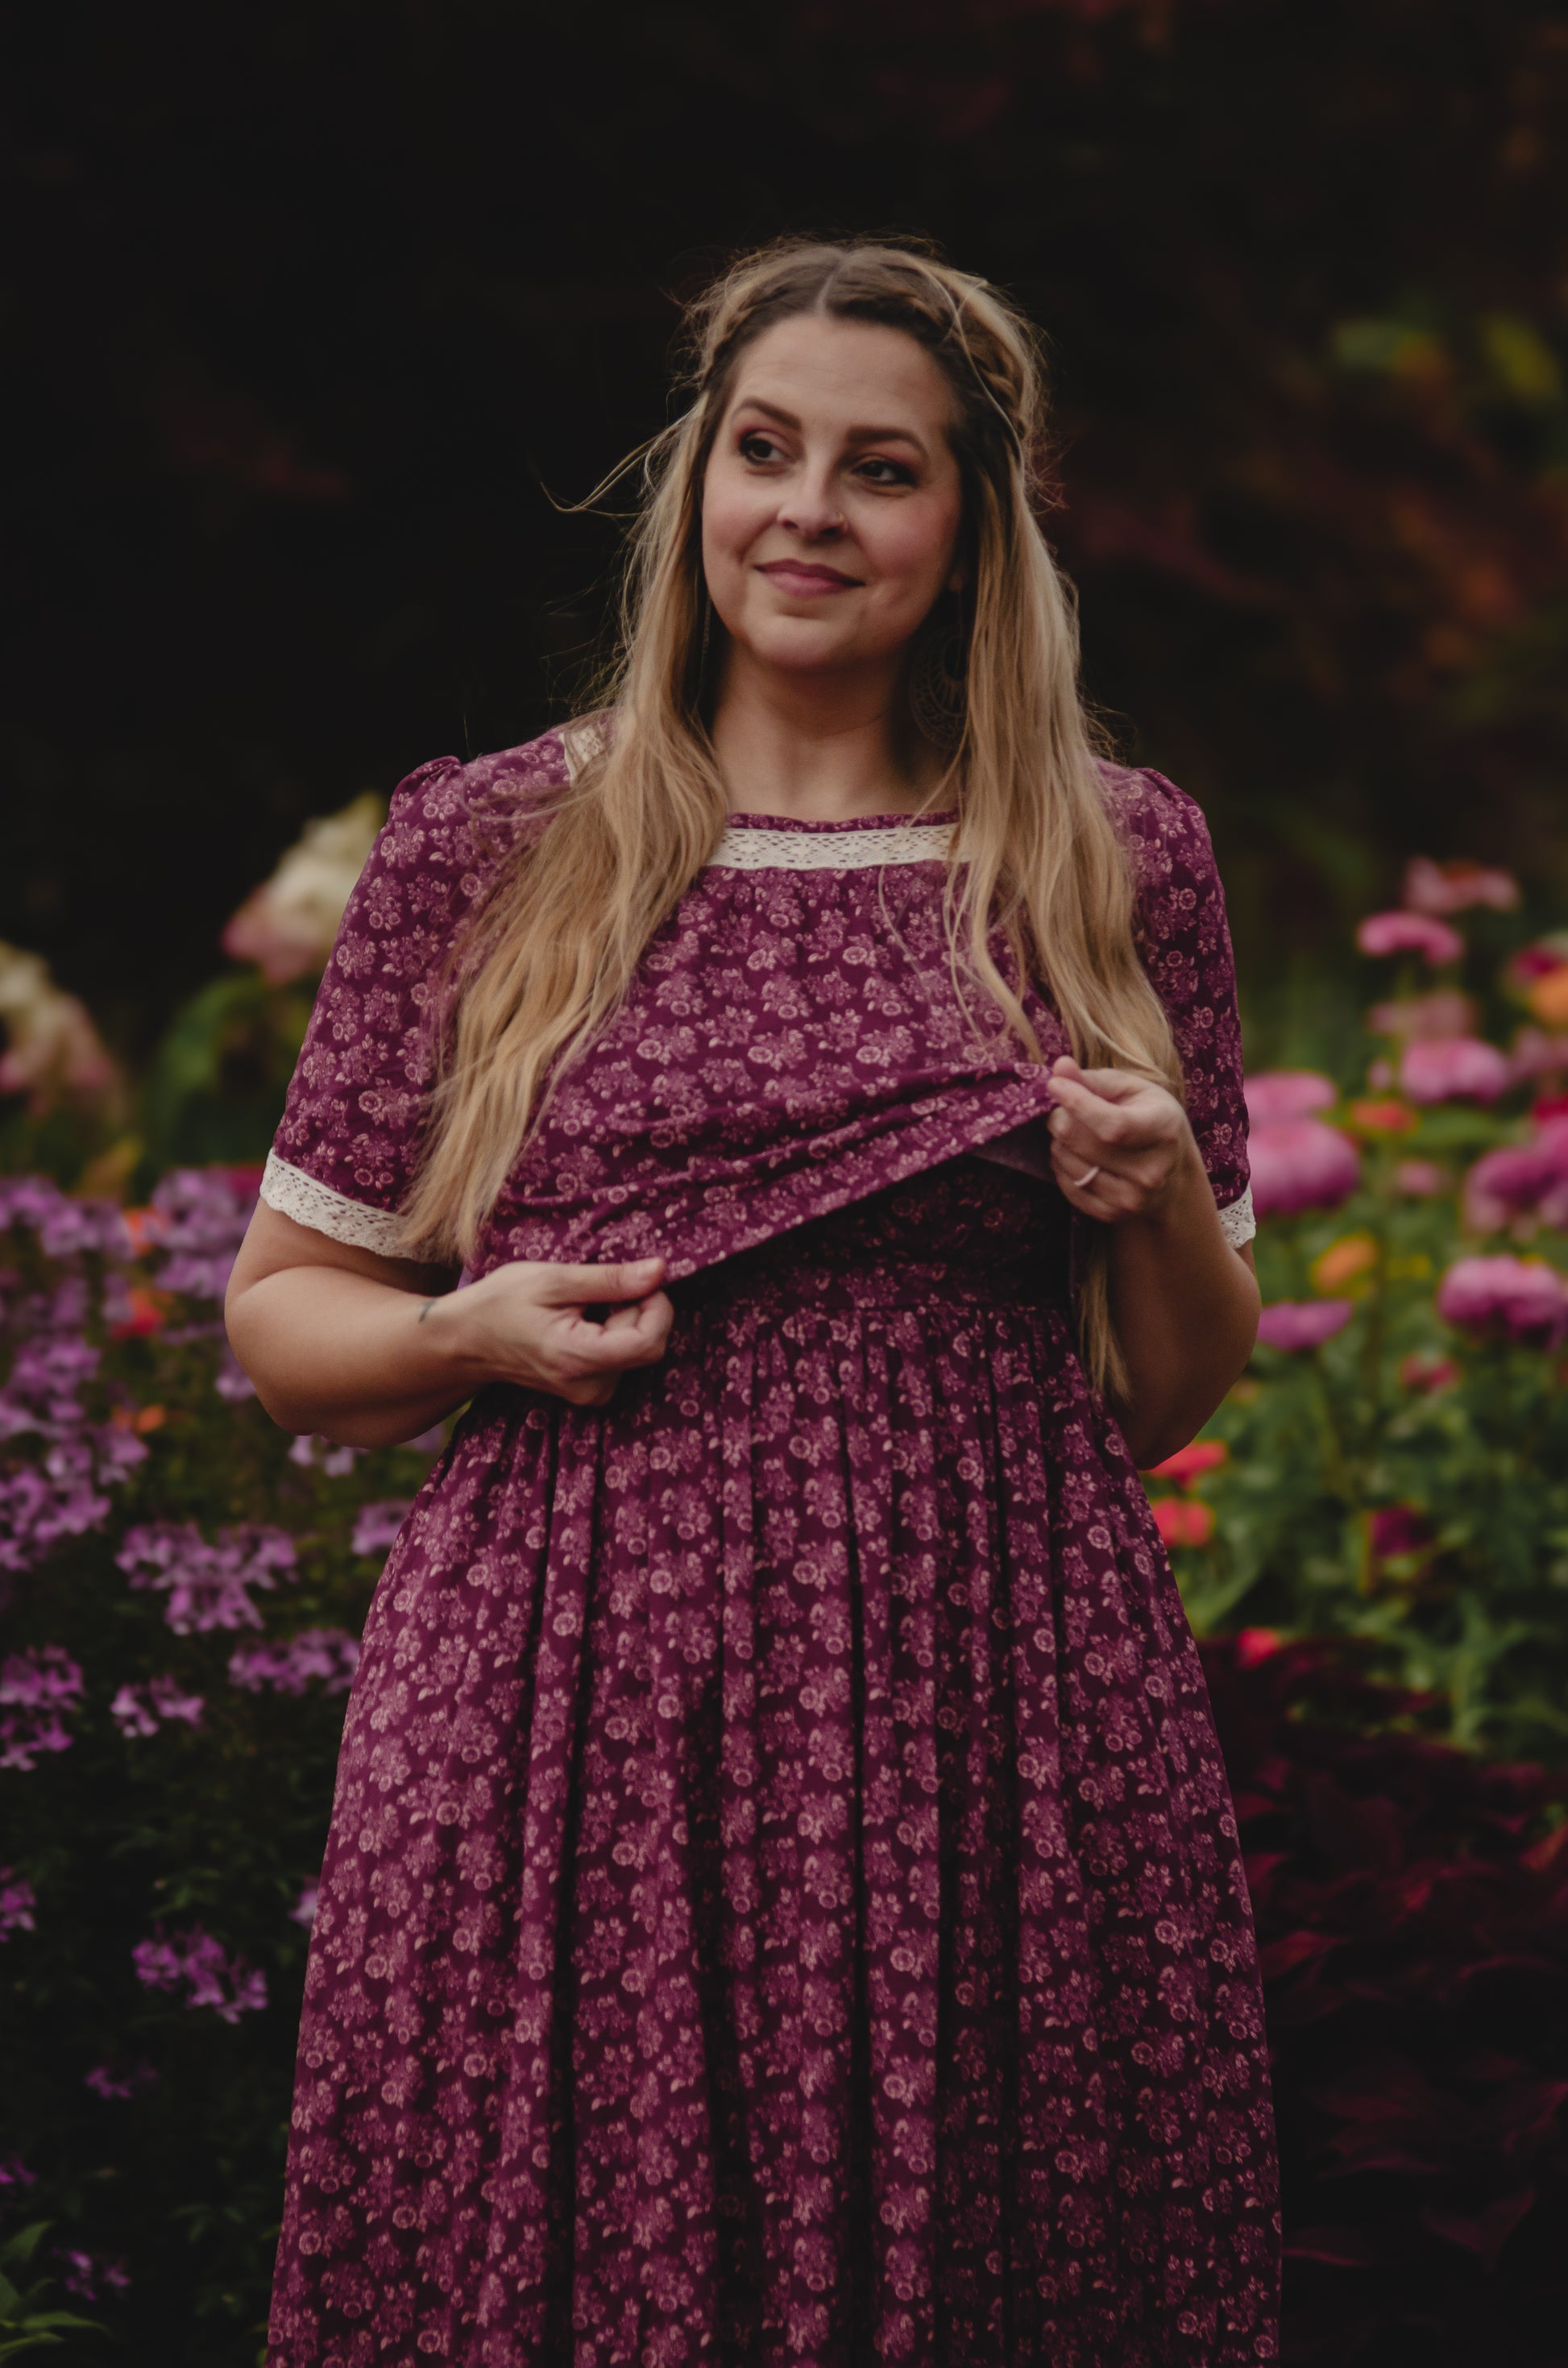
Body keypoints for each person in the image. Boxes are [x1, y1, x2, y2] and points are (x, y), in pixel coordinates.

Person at [228, 237, 1277, 2368]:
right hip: (569, 1688)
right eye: (764, 448)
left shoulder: (1106, 858)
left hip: (993, 1686)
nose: (806, 509)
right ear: (695, 479)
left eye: (877, 468)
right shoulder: (496, 842)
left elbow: (1169, 1387)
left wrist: (1155, 1193)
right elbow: (284, 1317)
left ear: (973, 526)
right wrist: (466, 1328)